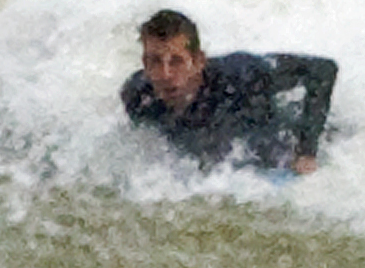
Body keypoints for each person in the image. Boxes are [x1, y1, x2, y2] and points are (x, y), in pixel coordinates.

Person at [120, 10, 336, 175]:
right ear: (144, 63)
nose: (165, 74)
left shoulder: (241, 74)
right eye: (155, 61)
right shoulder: (137, 96)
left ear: (198, 61)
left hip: (283, 137)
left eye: (176, 61)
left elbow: (323, 70)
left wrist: (306, 152)